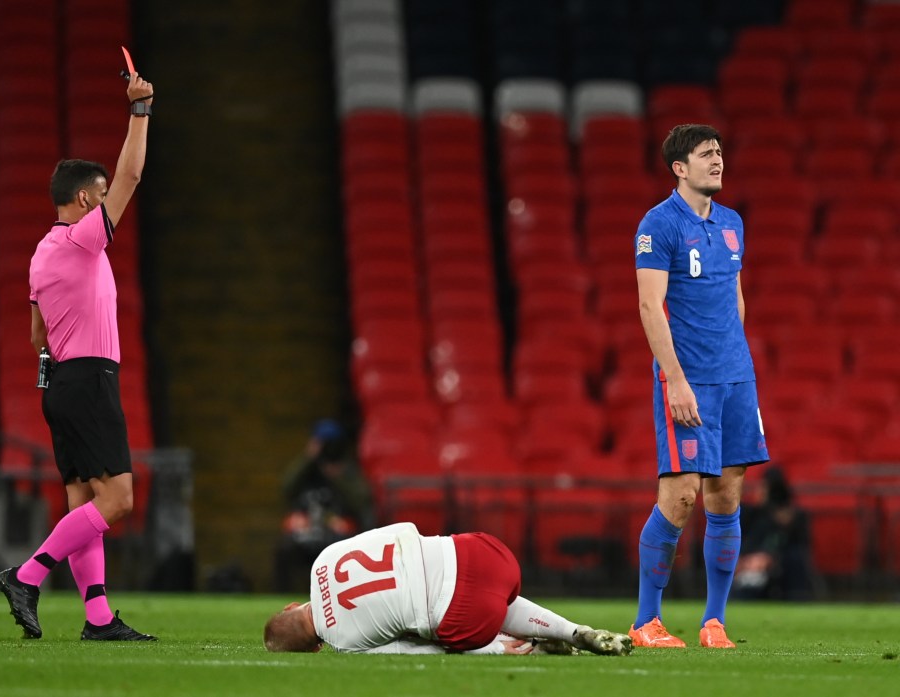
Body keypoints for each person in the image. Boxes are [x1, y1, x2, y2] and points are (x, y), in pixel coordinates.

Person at [0, 70, 156, 641]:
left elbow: (35, 336)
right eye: (102, 192)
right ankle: (28, 575)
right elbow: (133, 173)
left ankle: (98, 619)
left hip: (60, 382)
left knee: (83, 504)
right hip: (88, 380)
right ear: (88, 199)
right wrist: (140, 110)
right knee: (117, 501)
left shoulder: (41, 254)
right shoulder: (83, 238)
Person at [630, 124, 769, 649]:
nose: (718, 160)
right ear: (679, 168)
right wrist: (675, 379)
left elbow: (735, 297)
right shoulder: (657, 225)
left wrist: (739, 363)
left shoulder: (732, 223)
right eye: (706, 154)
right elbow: (649, 307)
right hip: (689, 381)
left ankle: (715, 623)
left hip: (737, 378)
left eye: (720, 152)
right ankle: (646, 621)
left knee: (726, 497)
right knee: (681, 496)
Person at [264, 521, 633, 656]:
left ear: (314, 647)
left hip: (469, 617)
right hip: (482, 553)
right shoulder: (324, 559)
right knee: (486, 591)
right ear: (291, 605)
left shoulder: (342, 642)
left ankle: (518, 649)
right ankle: (573, 631)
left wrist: (488, 650)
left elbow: (414, 652)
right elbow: (402, 529)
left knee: (435, 628)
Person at [273, 419, 374, 592]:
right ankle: (283, 597)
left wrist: (338, 475)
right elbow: (286, 488)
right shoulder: (307, 470)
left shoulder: (347, 471)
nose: (328, 449)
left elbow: (362, 501)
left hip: (337, 535)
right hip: (307, 532)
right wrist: (309, 458)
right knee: (284, 550)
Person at [732, 467, 814, 601]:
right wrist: (745, 558)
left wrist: (769, 556)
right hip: (752, 561)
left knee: (793, 560)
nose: (760, 492)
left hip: (780, 563)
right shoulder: (753, 514)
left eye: (765, 488)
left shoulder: (792, 517)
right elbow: (748, 539)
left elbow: (789, 542)